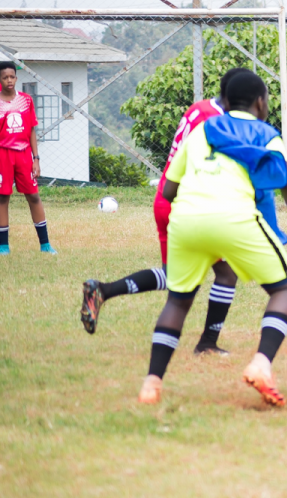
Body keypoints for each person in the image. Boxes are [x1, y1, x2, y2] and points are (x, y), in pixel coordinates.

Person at [138, 69, 287, 407]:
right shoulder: (266, 133)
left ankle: (151, 385)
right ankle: (261, 363)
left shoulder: (201, 130)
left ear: (225, 101)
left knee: (178, 300)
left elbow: (169, 189)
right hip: (235, 218)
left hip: (185, 220)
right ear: (261, 103)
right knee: (285, 289)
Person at [80, 69, 252, 358]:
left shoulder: (200, 107)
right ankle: (207, 344)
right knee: (225, 273)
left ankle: (103, 291)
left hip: (166, 197)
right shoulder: (219, 122)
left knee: (176, 277)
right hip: (189, 203)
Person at [0, 61, 55, 255]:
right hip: (2, 154)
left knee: (33, 196)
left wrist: (36, 158)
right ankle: (4, 246)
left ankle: (45, 245)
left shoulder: (26, 100)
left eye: (12, 77)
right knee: (3, 197)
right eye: (5, 77)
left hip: (23, 154)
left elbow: (31, 130)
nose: (9, 81)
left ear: (16, 77)